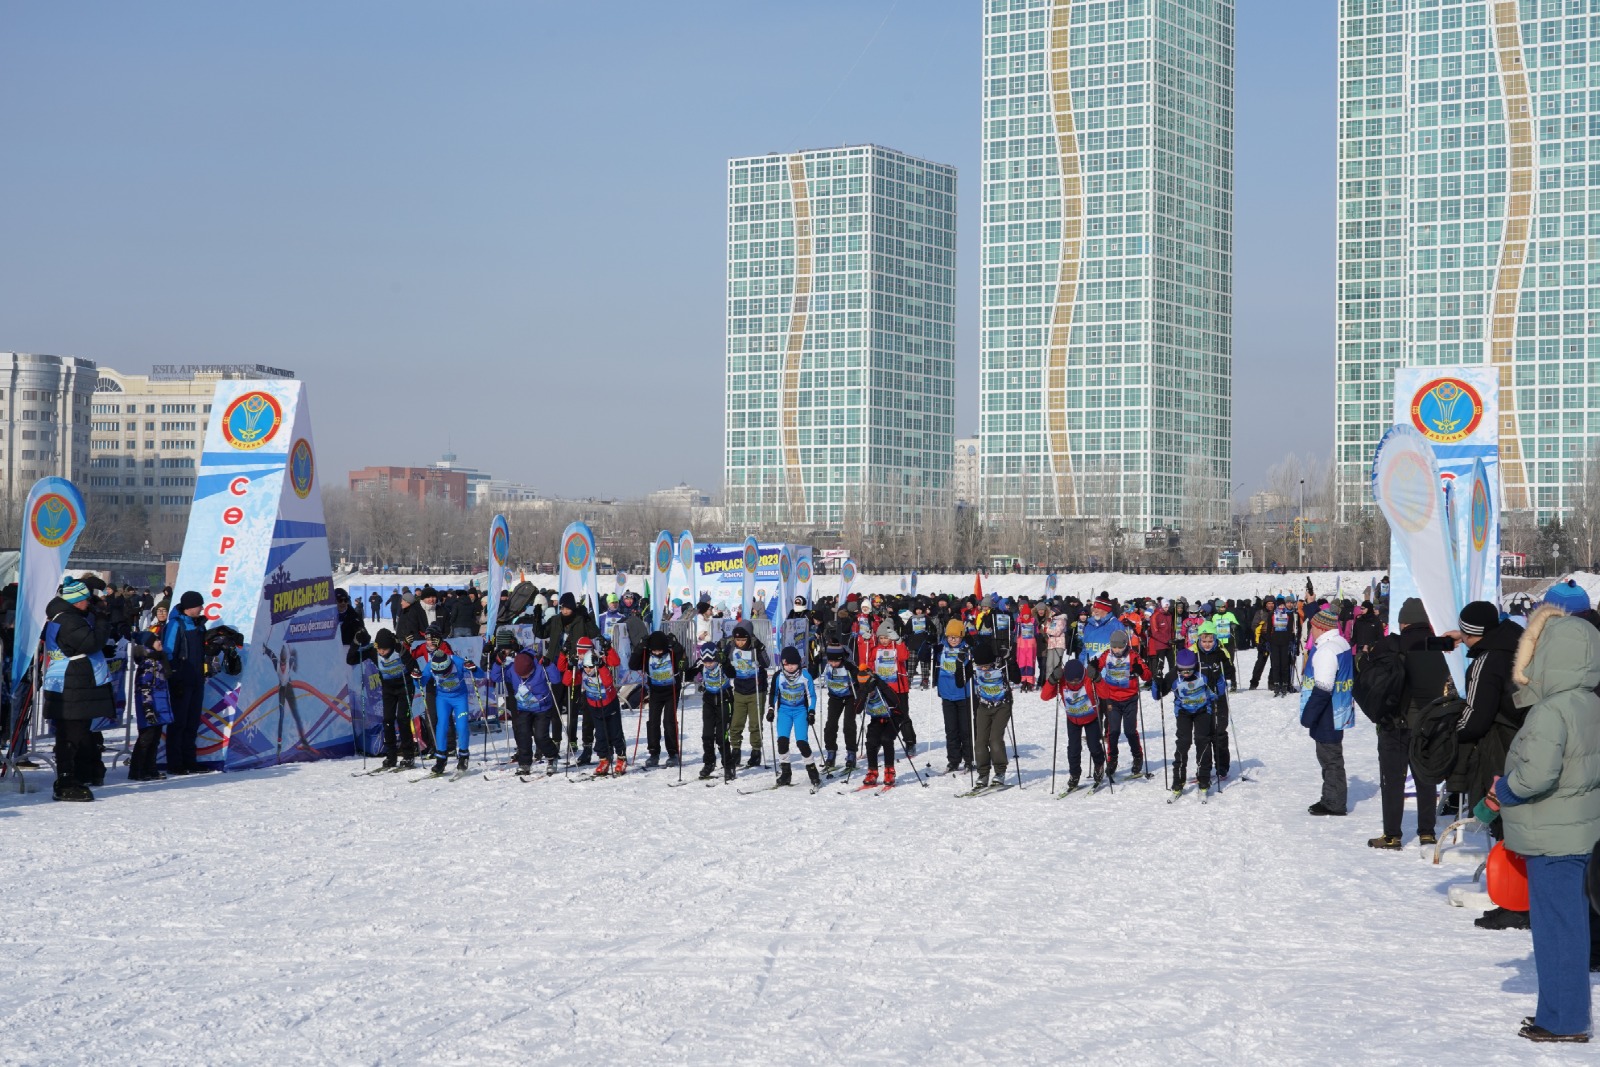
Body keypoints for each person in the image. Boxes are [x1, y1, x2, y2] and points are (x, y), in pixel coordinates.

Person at [1478, 601, 1600, 1043]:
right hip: (1579, 830)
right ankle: (1562, 1012)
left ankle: (1564, 1020)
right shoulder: (1588, 702)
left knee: (1557, 931)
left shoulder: (1552, 710)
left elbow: (1537, 775)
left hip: (1553, 836)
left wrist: (1505, 791)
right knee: (1570, 926)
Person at [1443, 600, 1528, 930]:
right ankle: (1522, 899)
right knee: (1522, 821)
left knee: (1505, 821)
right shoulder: (1516, 641)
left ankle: (1515, 902)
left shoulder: (1486, 661)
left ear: (1471, 634)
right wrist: (1464, 635)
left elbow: (1475, 718)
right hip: (1527, 739)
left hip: (1502, 747)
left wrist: (1452, 732)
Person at [1370, 598, 1454, 850]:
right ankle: (1427, 832)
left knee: (1393, 780)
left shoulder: (1392, 644)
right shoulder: (1440, 646)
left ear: (1404, 622)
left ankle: (1392, 835)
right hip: (1429, 723)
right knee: (1425, 779)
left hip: (1396, 723)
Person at [40, 579, 115, 801]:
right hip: (72, 683)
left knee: (76, 732)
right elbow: (90, 643)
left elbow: (81, 644)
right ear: (75, 601)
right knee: (71, 734)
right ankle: (65, 780)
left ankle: (75, 775)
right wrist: (101, 621)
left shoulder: (64, 617)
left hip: (70, 681)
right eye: (85, 600)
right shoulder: (69, 620)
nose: (88, 603)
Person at [1301, 607, 1354, 818]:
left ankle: (1334, 802)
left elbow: (1323, 689)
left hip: (1327, 713)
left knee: (1330, 758)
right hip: (1339, 709)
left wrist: (1308, 716)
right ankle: (1332, 798)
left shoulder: (1326, 651)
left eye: (1312, 627)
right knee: (1332, 757)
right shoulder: (1341, 643)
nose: (1311, 631)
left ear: (1320, 627)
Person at [347, 627, 417, 770]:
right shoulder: (374, 651)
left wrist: (403, 652)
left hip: (405, 686)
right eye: (379, 649)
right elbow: (351, 660)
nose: (381, 652)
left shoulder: (398, 649)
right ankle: (391, 756)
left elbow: (413, 666)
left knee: (403, 719)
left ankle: (409, 755)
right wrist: (355, 643)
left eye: (384, 649)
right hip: (388, 688)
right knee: (388, 720)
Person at [492, 643, 561, 775]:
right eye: (521, 676)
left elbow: (556, 679)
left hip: (542, 708)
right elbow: (496, 677)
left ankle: (552, 756)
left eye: (526, 675)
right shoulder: (512, 669)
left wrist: (549, 665)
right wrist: (498, 663)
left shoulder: (539, 668)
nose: (523, 677)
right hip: (523, 708)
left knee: (540, 736)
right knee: (522, 735)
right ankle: (524, 763)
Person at [1089, 629, 1150, 778]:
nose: (1116, 650)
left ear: (1125, 645)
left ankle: (1137, 756)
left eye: (1119, 647)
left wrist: (1140, 670)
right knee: (1113, 731)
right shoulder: (1107, 655)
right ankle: (1112, 760)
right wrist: (1093, 667)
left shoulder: (1133, 656)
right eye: (1114, 647)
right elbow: (1095, 669)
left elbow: (1148, 675)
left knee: (1130, 731)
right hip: (1112, 699)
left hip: (1130, 698)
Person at [162, 590, 210, 776]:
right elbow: (168, 652)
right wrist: (174, 677)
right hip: (181, 681)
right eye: (199, 605)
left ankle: (190, 760)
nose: (202, 608)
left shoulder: (199, 625)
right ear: (189, 607)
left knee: (192, 722)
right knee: (179, 723)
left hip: (197, 679)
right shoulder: (176, 624)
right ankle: (175, 762)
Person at [415, 647, 477, 776]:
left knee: (462, 726)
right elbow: (421, 682)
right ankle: (441, 759)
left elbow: (479, 674)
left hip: (459, 698)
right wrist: (416, 678)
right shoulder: (430, 665)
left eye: (444, 672)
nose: (442, 676)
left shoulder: (457, 662)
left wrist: (473, 668)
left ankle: (463, 756)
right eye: (438, 673)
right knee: (442, 725)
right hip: (443, 699)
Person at [765, 647, 821, 788]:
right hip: (784, 711)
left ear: (799, 663)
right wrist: (771, 709)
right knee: (782, 741)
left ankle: (813, 773)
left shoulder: (805, 676)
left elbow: (812, 696)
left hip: (800, 711)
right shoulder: (778, 676)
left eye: (793, 664)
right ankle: (786, 773)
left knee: (802, 742)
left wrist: (811, 712)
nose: (790, 667)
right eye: (787, 664)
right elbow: (773, 694)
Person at [630, 630, 684, 767]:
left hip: (671, 691)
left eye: (660, 650)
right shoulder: (647, 654)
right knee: (653, 722)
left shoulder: (671, 654)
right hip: (655, 692)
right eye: (654, 650)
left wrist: (676, 645)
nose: (657, 653)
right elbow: (633, 665)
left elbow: (684, 661)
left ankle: (673, 753)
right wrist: (640, 647)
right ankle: (654, 753)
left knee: (669, 722)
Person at [1168, 648, 1218, 794]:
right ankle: (1178, 779)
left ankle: (1204, 778)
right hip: (1183, 712)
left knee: (1202, 740)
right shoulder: (1173, 675)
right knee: (1183, 742)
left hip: (1202, 710)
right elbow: (1156, 694)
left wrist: (1217, 677)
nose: (1186, 673)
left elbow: (1219, 691)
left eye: (1189, 670)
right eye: (1183, 670)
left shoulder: (1203, 672)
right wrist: (1156, 681)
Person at [968, 640, 1015, 790]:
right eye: (980, 666)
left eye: (986, 665)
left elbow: (1017, 678)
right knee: (980, 742)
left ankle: (1000, 772)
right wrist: (959, 664)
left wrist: (1010, 660)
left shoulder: (1000, 665)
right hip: (983, 706)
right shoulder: (974, 667)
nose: (983, 668)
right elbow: (959, 681)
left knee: (994, 739)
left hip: (1002, 705)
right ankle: (983, 774)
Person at [126, 632, 172, 782]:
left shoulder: (158, 659)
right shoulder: (148, 663)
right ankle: (137, 770)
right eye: (156, 640)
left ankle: (151, 768)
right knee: (146, 738)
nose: (160, 642)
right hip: (150, 705)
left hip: (159, 704)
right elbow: (144, 687)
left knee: (155, 738)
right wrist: (148, 708)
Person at [1052, 659, 1103, 791]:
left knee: (1094, 746)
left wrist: (1097, 678)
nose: (1074, 683)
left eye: (1077, 680)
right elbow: (1045, 696)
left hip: (1091, 718)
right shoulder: (1063, 681)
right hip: (1073, 719)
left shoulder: (1088, 679)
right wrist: (1052, 678)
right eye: (1071, 681)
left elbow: (1105, 694)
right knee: (1073, 749)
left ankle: (1099, 765)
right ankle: (1074, 774)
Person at [1193, 623, 1236, 780]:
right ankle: (1203, 767)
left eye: (1210, 641)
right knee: (1202, 734)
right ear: (1199, 639)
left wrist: (1221, 673)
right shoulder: (1193, 652)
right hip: (1199, 698)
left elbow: (1230, 670)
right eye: (1204, 641)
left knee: (1219, 731)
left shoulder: (1221, 652)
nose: (1207, 644)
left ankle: (1222, 766)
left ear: (1215, 639)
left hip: (1218, 697)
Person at [723, 625, 769, 769]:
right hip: (739, 690)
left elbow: (766, 663)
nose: (740, 643)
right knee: (736, 723)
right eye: (738, 640)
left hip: (756, 690)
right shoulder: (731, 647)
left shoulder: (755, 647)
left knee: (755, 724)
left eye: (743, 640)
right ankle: (735, 750)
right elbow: (724, 662)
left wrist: (760, 649)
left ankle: (756, 751)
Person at [934, 620, 974, 774]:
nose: (953, 639)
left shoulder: (967, 649)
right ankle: (953, 760)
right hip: (947, 694)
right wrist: (929, 644)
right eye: (950, 636)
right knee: (951, 730)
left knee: (965, 730)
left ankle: (969, 759)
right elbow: (923, 655)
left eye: (956, 637)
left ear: (961, 636)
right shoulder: (941, 648)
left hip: (963, 694)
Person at [692, 642, 736, 781]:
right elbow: (688, 674)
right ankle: (709, 763)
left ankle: (728, 765)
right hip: (709, 701)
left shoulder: (722, 663)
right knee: (707, 735)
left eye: (711, 661)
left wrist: (725, 662)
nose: (708, 664)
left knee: (722, 736)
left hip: (724, 700)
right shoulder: (701, 664)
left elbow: (732, 673)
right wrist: (684, 666)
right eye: (706, 662)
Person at [818, 643, 860, 772]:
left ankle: (851, 753)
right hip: (835, 697)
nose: (833, 664)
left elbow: (859, 680)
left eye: (836, 661)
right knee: (830, 725)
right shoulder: (826, 665)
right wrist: (815, 663)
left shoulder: (848, 666)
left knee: (848, 725)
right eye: (830, 661)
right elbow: (813, 673)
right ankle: (831, 753)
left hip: (849, 697)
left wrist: (853, 672)